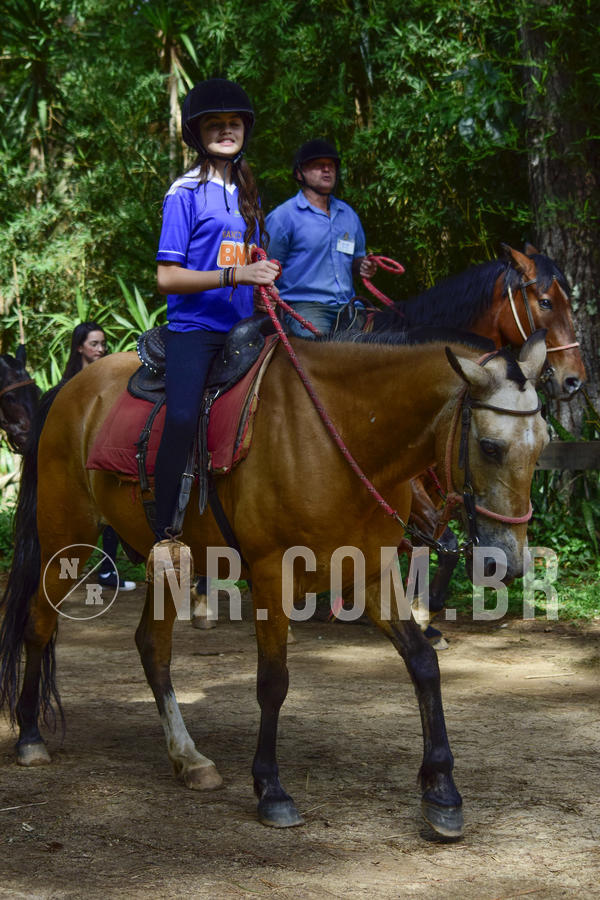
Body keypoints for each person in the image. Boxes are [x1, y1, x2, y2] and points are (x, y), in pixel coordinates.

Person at [153, 78, 279, 541]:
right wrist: (235, 276)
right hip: (196, 329)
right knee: (183, 418)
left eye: (234, 123)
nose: (227, 131)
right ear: (197, 133)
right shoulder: (184, 192)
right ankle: (162, 529)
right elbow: (167, 278)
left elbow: (244, 258)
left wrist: (260, 274)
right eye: (215, 125)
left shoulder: (248, 191)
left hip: (247, 329)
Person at [265, 139, 377, 337]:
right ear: (299, 173)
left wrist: (363, 266)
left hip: (348, 305)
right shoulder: (283, 217)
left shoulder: (348, 215)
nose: (327, 170)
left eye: (331, 165)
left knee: (383, 340)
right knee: (322, 349)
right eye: (318, 165)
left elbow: (356, 262)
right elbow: (267, 267)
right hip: (305, 306)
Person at [58, 322, 136, 591]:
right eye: (94, 344)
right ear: (79, 347)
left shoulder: (110, 384)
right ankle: (66, 576)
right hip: (72, 468)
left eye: (103, 344)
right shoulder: (67, 388)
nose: (101, 349)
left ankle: (107, 572)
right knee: (72, 524)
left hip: (101, 462)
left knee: (112, 519)